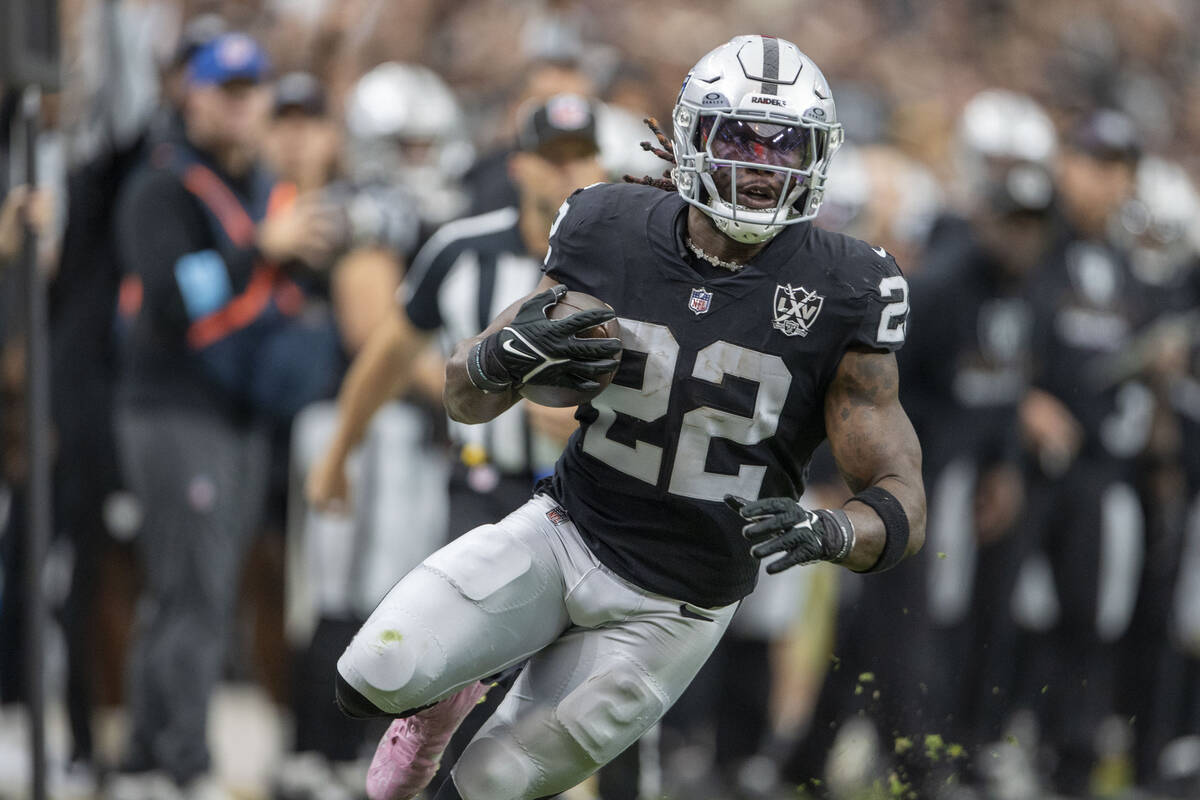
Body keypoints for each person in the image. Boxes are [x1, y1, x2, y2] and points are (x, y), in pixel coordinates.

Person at [333, 35, 926, 800]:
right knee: (370, 674)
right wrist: (496, 359)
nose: (760, 167)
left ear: (818, 158)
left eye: (786, 148)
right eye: (742, 138)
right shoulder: (606, 225)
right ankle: (445, 699)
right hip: (566, 529)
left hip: (677, 604)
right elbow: (462, 398)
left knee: (484, 786)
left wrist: (836, 531)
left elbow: (899, 489)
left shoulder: (848, 285)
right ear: (692, 138)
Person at [110, 32, 339, 796]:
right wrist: (262, 250)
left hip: (237, 414)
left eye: (253, 92)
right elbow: (171, 300)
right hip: (173, 407)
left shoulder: (263, 183)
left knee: (188, 588)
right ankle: (183, 764)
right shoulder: (162, 186)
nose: (243, 107)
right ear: (194, 96)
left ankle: (146, 757)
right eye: (227, 92)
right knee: (195, 593)